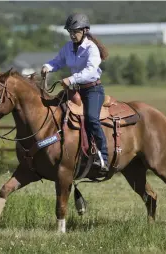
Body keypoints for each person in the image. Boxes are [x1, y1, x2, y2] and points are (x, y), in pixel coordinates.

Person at [41, 13, 110, 173]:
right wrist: (47, 67)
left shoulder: (91, 48)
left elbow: (90, 70)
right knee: (56, 113)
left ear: (85, 30)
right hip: (75, 91)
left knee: (92, 119)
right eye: (70, 31)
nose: (72, 35)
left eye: (75, 31)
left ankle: (104, 158)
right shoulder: (67, 47)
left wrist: (71, 79)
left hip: (93, 90)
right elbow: (57, 61)